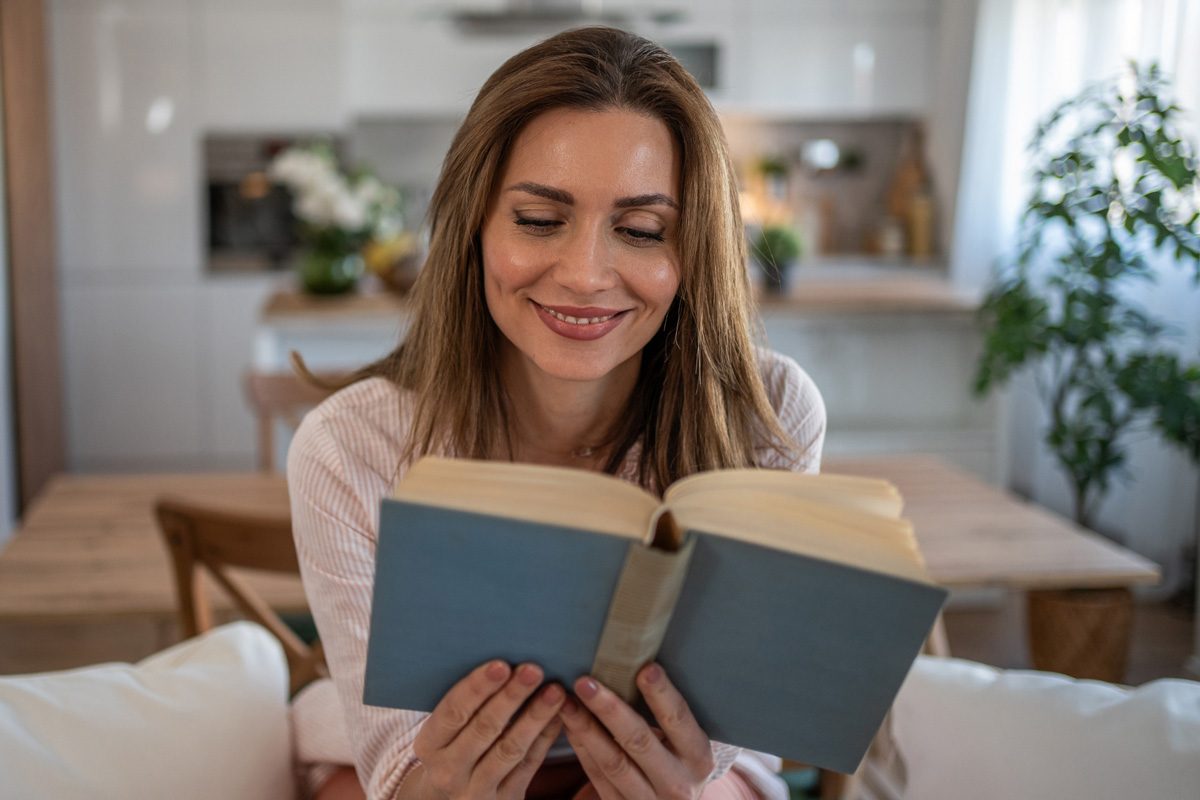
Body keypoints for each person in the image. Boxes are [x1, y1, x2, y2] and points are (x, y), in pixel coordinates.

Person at [288, 25, 826, 800]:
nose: (584, 274)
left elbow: (739, 740)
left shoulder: (769, 416)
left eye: (642, 231)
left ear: (694, 251)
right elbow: (395, 770)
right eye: (539, 220)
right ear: (472, 226)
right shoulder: (349, 446)